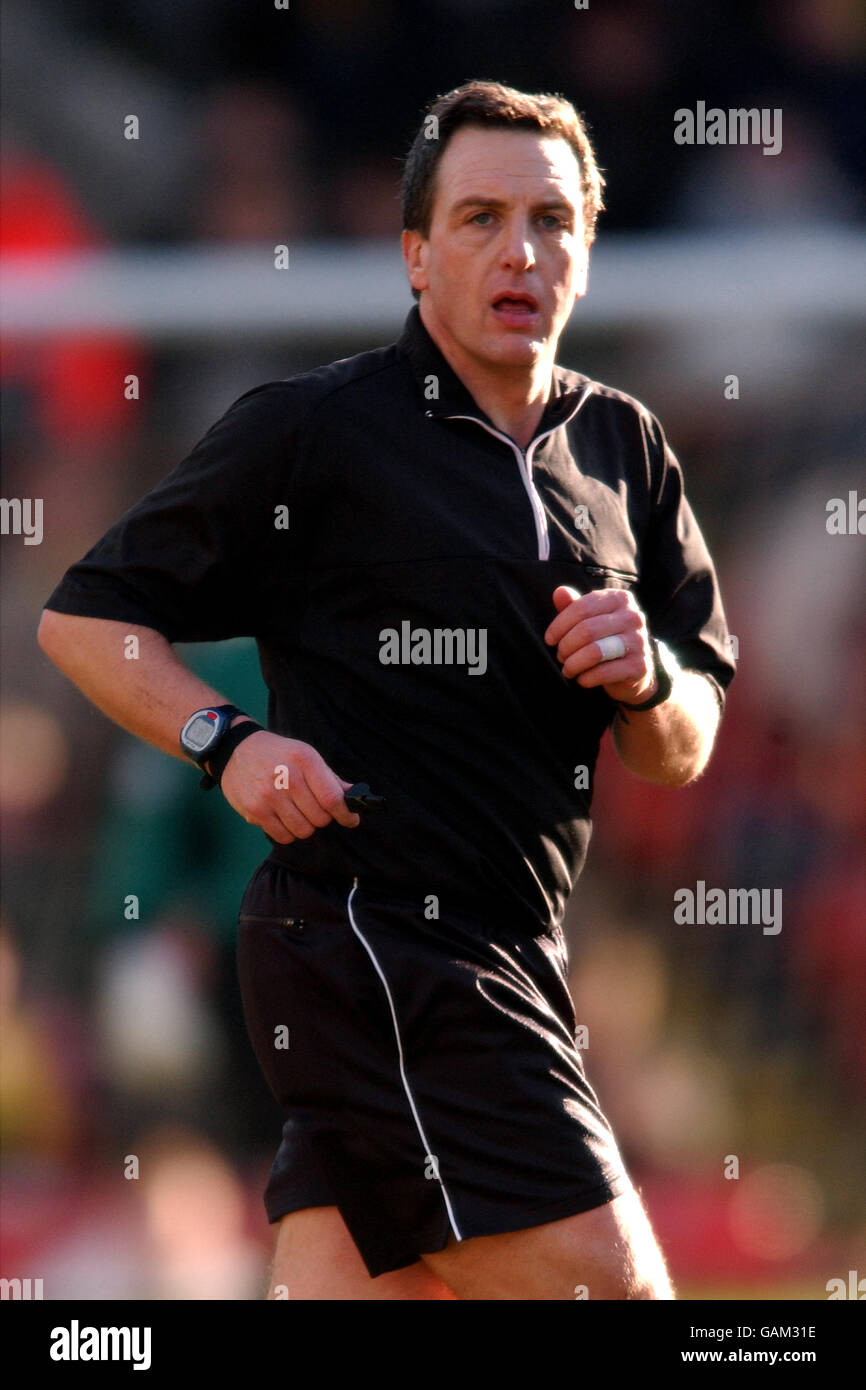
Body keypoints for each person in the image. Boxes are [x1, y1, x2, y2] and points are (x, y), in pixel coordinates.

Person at [38, 80, 735, 1300]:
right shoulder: (318, 433)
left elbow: (681, 742)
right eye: (477, 218)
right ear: (414, 255)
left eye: (549, 219)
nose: (518, 250)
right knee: (612, 1291)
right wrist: (225, 740)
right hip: (377, 939)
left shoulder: (626, 448)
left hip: (518, 948)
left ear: (585, 247)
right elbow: (86, 618)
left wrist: (649, 679)